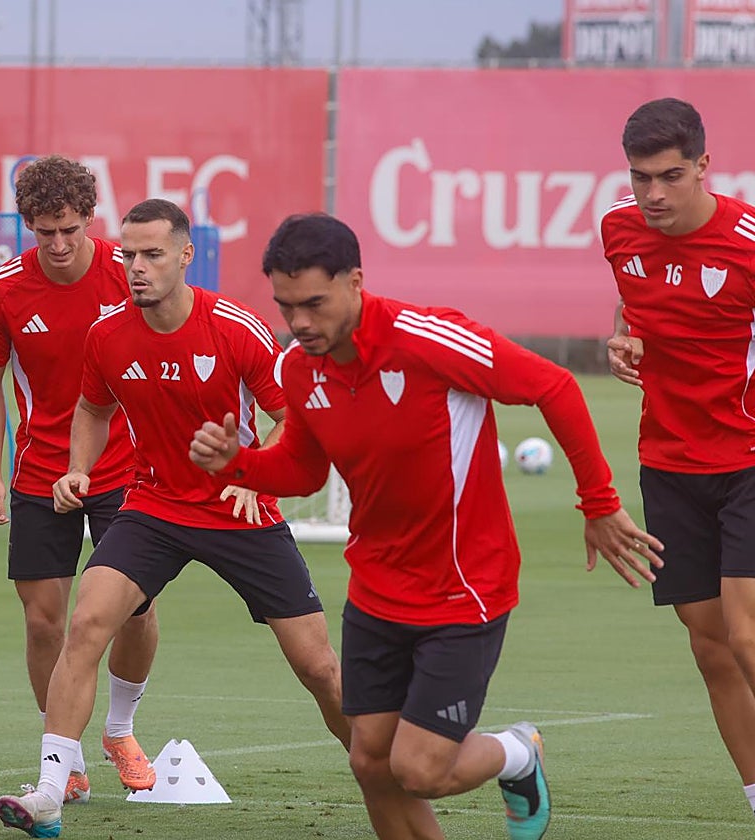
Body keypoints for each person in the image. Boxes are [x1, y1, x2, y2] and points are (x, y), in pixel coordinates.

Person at [187, 213, 661, 840]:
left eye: (314, 303)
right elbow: (303, 471)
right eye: (285, 305)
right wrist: (239, 463)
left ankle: (519, 753)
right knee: (369, 761)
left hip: (464, 589)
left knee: (417, 767)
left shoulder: (429, 339)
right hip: (377, 589)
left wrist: (598, 503)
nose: (299, 322)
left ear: (356, 281)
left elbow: (554, 385)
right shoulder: (302, 369)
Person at [0, 199, 348, 839]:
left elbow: (290, 415)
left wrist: (256, 471)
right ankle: (51, 788)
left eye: (153, 254)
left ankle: (384, 766)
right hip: (153, 504)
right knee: (86, 624)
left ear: (187, 255)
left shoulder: (235, 329)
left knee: (319, 667)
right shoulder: (108, 334)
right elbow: (93, 410)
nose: (136, 267)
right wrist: (78, 468)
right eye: (128, 254)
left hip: (240, 510)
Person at [0, 155, 159, 802]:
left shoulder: (126, 274)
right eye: (43, 231)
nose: (56, 244)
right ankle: (64, 758)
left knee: (136, 607)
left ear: (89, 220)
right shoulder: (0, 292)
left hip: (127, 466)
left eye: (68, 230)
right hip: (40, 471)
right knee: (44, 621)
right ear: (26, 225)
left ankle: (121, 729)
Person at [604, 97, 755, 819]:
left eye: (670, 176)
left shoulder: (750, 244)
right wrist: (624, 334)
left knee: (748, 633)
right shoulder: (618, 231)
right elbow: (633, 301)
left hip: (749, 458)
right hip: (668, 463)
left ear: (703, 165)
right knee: (711, 647)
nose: (654, 194)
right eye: (640, 178)